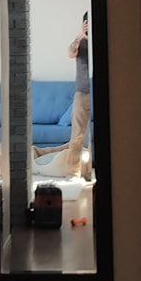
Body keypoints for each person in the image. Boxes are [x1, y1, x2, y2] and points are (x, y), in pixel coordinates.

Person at [60, 11, 93, 179]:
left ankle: (89, 171)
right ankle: (73, 172)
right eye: (87, 22)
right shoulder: (80, 42)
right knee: (78, 134)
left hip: (97, 91)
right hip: (83, 92)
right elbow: (70, 53)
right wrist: (82, 35)